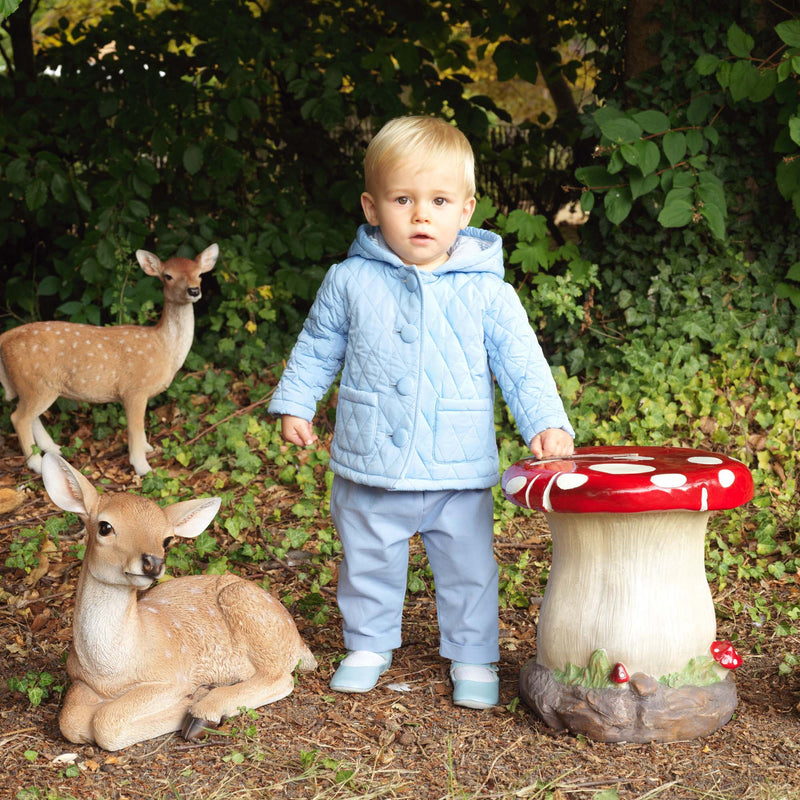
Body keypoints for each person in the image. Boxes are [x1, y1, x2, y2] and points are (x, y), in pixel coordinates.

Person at [268, 115, 574, 709]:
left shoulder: (489, 291)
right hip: (370, 456)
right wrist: (296, 401)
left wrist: (545, 421)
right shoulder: (349, 280)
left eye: (438, 200)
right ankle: (368, 642)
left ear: (466, 209)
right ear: (372, 207)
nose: (421, 215)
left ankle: (473, 652)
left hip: (455, 462)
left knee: (468, 568)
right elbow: (317, 344)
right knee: (367, 558)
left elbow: (521, 361)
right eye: (403, 200)